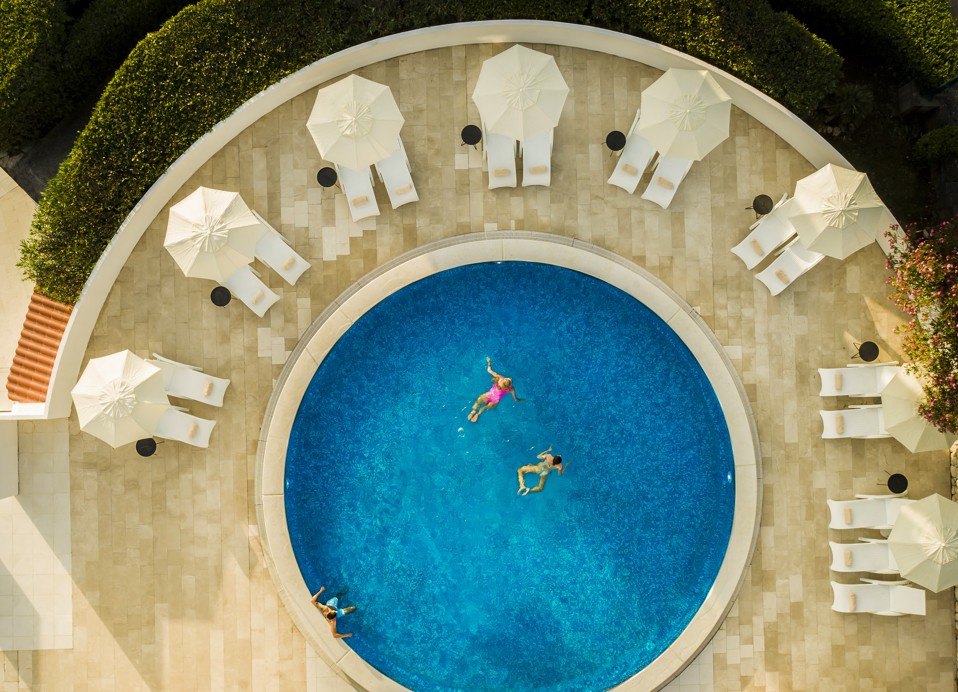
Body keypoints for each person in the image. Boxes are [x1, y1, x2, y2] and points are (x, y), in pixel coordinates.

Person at [468, 357, 523, 422]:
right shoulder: (510, 389)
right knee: (485, 407)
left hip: (488, 395)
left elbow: (489, 370)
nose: (510, 378)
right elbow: (515, 399)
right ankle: (478, 414)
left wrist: (489, 363)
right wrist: (521, 399)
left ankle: (473, 411)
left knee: (478, 401)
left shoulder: (500, 378)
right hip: (495, 401)